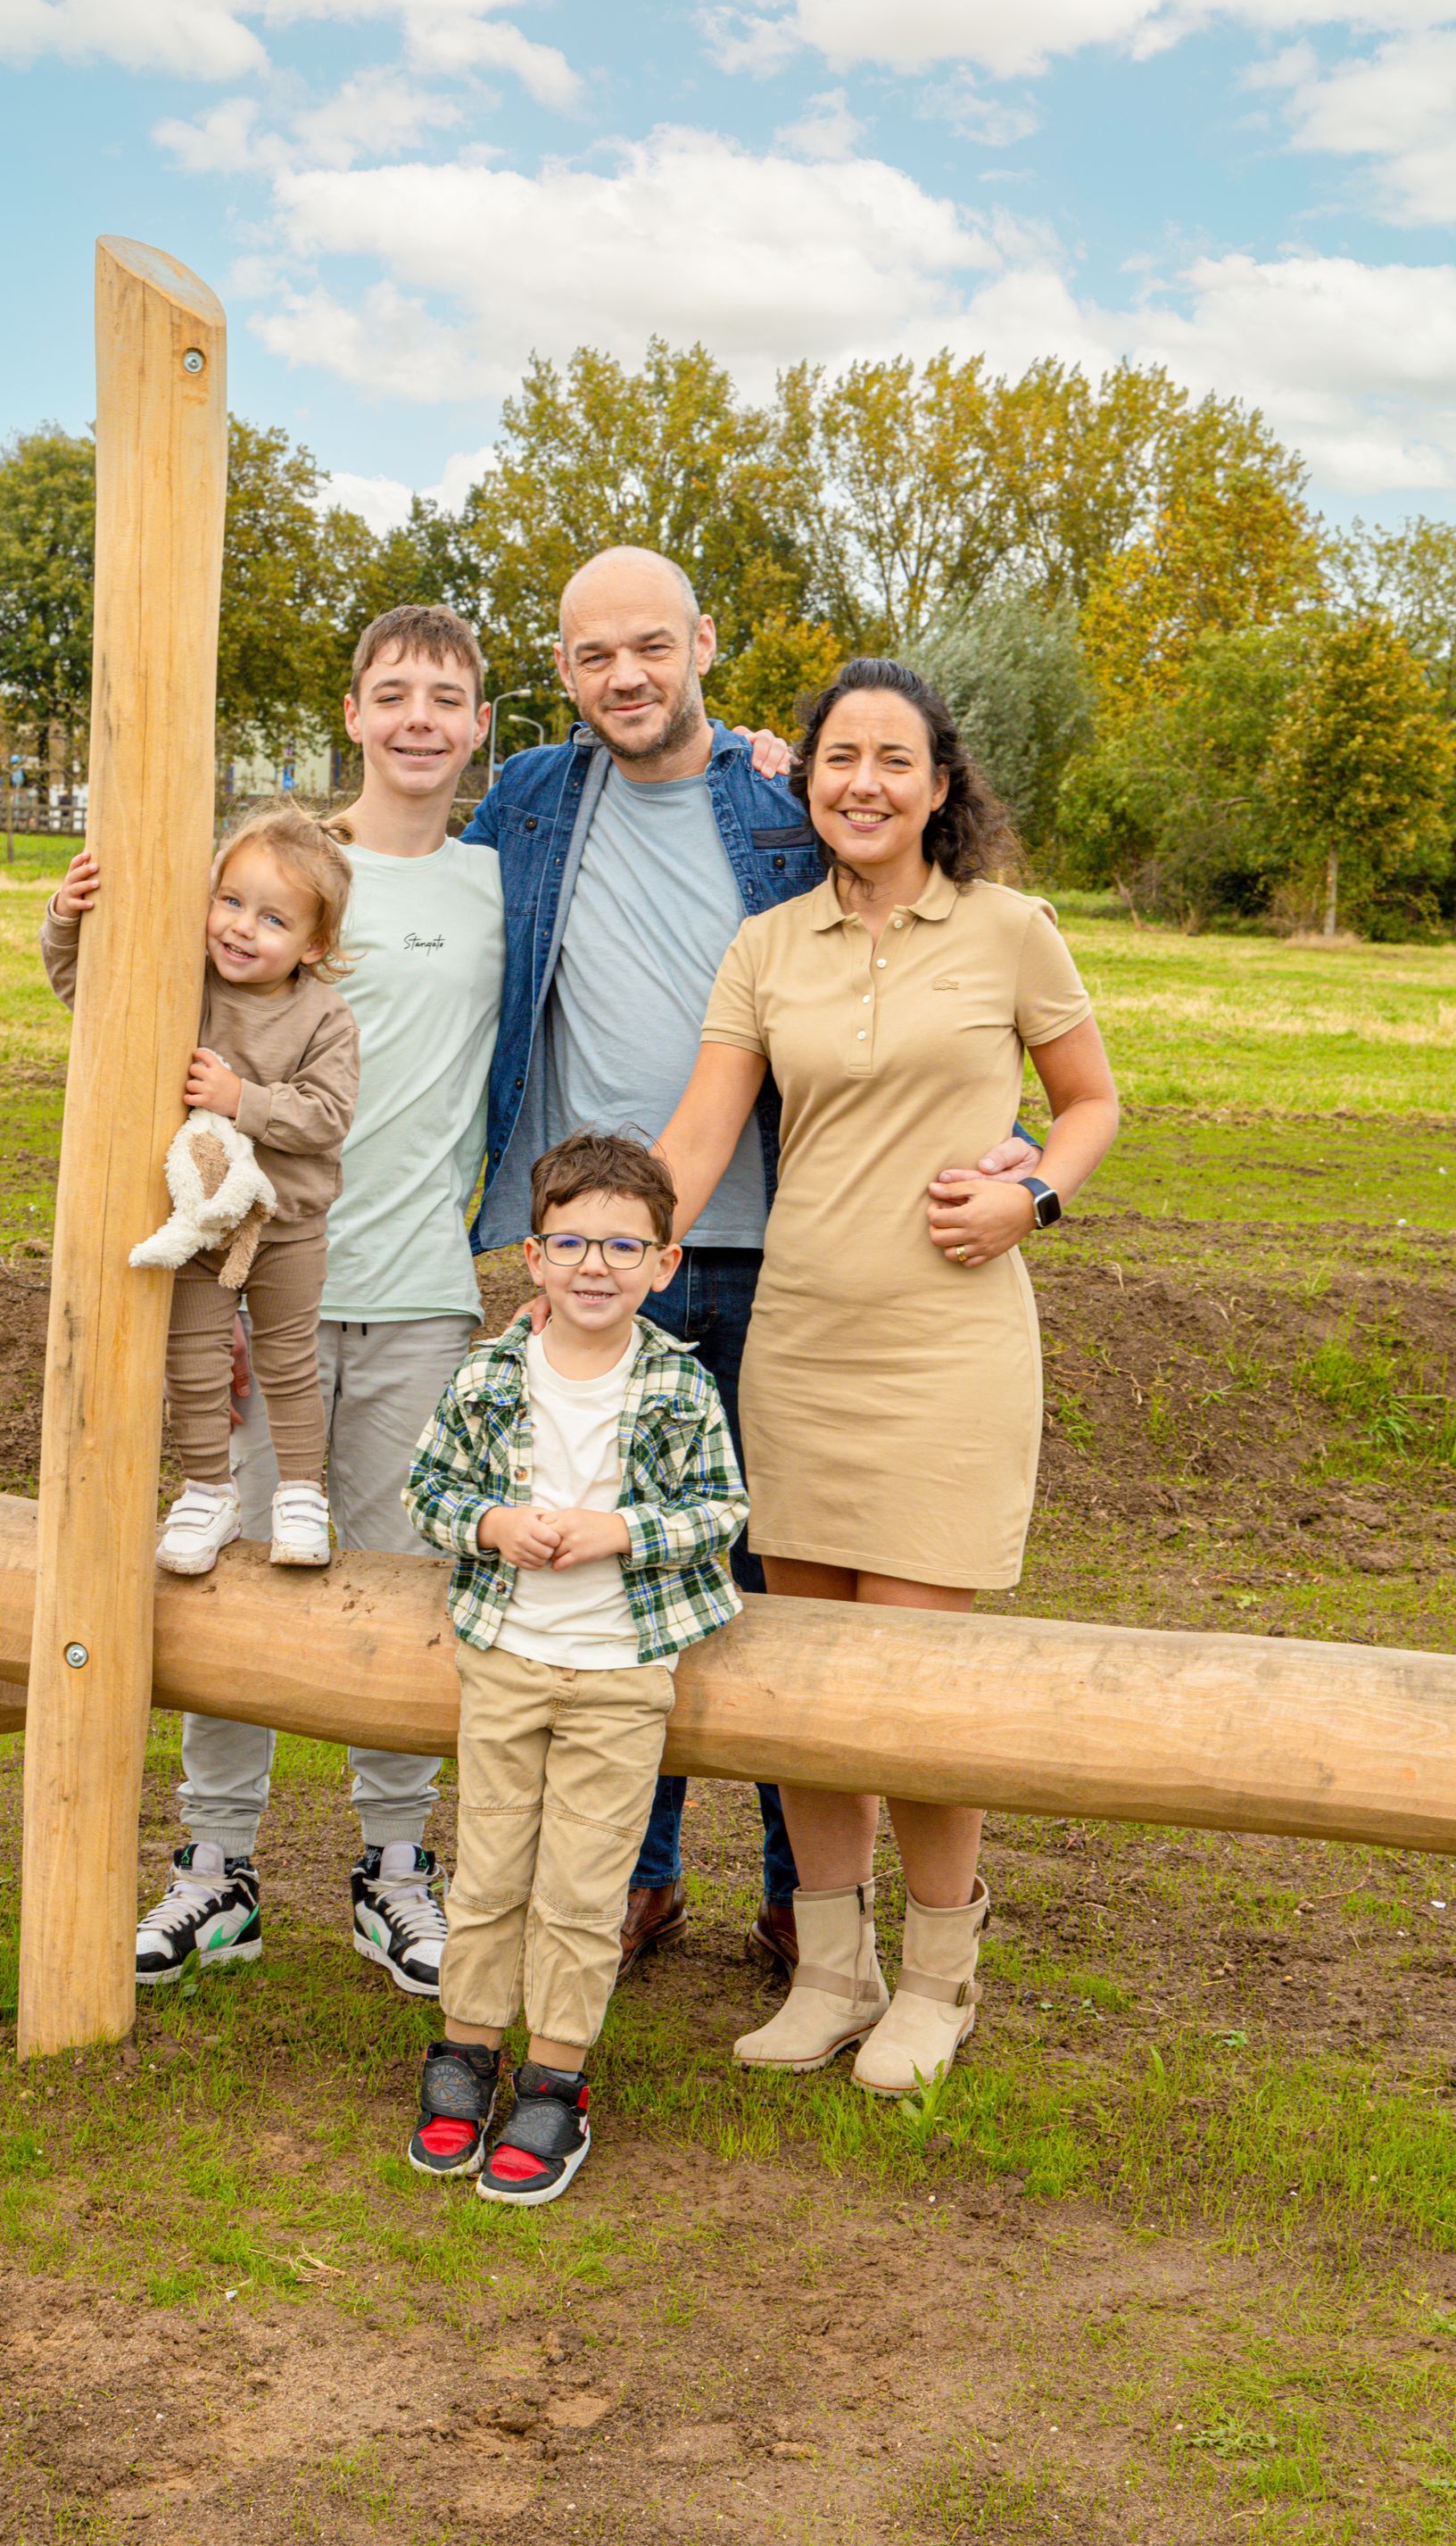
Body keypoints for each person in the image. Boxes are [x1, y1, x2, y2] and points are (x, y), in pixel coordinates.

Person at [462, 548, 1038, 1978]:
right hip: (623, 1261)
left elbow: (921, 982)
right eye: (594, 656)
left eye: (651, 647)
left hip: (800, 1259)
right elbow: (381, 893)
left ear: (705, 644)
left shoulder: (784, 802)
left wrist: (1017, 1160)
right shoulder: (529, 798)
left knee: (800, 1598)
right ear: (564, 672)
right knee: (611, 1561)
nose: (626, 677)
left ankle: (808, 1911)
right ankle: (639, 1878)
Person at [654, 657, 1119, 2093]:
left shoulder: (1008, 930)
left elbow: (1091, 1102)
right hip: (799, 1352)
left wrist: (1030, 1196)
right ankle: (832, 1967)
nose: (863, 782)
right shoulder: (767, 945)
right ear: (805, 777)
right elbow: (695, 1138)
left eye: (894, 761)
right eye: (838, 757)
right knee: (808, 1693)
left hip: (948, 1355)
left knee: (915, 1697)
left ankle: (937, 1977)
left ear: (938, 784)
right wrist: (601, 1256)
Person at [132, 605, 507, 1994]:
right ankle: (213, 1865)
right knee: (225, 1562)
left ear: (479, 727)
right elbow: (126, 1000)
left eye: (448, 697)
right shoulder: (270, 875)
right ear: (353, 711)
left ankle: (394, 1869)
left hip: (416, 1287)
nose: (419, 716)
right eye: (393, 691)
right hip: (246, 1276)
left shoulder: (495, 881)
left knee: (399, 1577)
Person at [401, 1133, 748, 2203]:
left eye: (622, 1246)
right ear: (533, 1256)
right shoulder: (489, 1376)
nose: (595, 1265)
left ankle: (557, 2078)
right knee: (491, 1869)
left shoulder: (679, 1391)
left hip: (620, 1672)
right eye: (571, 1242)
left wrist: (620, 1533)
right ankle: (464, 2053)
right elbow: (428, 1491)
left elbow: (721, 1510)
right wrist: (498, 1521)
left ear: (666, 1262)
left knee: (584, 1887)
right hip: (506, 1657)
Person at [41, 806, 359, 1588]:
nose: (242, 928)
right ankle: (207, 1491)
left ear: (314, 946)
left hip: (287, 1223)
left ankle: (299, 1493)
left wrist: (239, 1096)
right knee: (192, 1358)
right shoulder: (182, 978)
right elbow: (87, 993)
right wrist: (66, 918)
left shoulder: (325, 1016)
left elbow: (327, 1117)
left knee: (288, 1359)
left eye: (274, 918)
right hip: (197, 1219)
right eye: (231, 901)